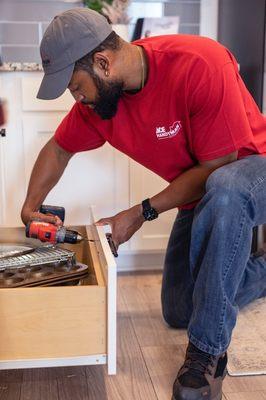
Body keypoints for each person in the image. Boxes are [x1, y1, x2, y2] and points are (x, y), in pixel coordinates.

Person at [21, 8, 266, 400]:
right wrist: (30, 205)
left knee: (225, 187)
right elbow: (59, 148)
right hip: (203, 190)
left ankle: (206, 357)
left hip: (250, 171)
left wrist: (140, 213)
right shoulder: (100, 103)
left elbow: (218, 166)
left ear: (102, 63)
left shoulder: (200, 63)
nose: (76, 98)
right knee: (179, 309)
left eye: (75, 86)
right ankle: (262, 270)